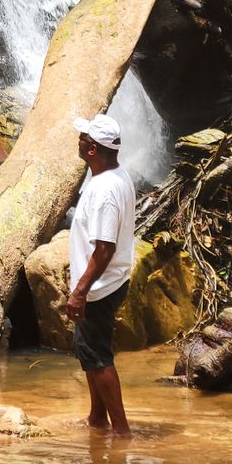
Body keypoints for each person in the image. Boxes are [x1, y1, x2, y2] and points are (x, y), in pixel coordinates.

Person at [66, 113, 136, 438]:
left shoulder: (106, 190)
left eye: (83, 138)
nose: (78, 140)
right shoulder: (114, 176)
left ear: (92, 149)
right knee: (89, 352)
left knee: (98, 356)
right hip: (109, 281)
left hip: (100, 287)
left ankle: (121, 433)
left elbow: (104, 250)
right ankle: (97, 418)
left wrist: (80, 290)